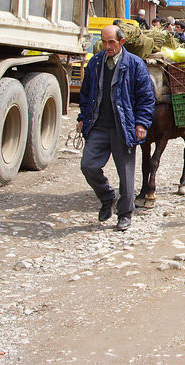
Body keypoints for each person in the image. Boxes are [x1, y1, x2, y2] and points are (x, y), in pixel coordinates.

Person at [77, 25, 155, 231]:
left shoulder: (135, 65)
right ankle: (106, 196)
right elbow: (85, 95)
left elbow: (146, 99)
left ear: (121, 42)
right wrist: (83, 118)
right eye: (104, 41)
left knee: (126, 174)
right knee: (88, 166)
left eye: (111, 42)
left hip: (124, 127)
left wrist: (141, 124)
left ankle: (125, 214)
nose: (107, 46)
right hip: (99, 126)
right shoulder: (95, 63)